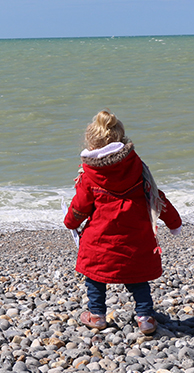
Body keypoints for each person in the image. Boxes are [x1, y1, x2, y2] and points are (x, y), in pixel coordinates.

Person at [64, 110, 182, 335]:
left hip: (99, 240)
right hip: (135, 239)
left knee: (95, 278)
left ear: (91, 143)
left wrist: (70, 223)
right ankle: (145, 318)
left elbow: (80, 206)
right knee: (137, 279)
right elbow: (157, 197)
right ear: (120, 138)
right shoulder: (138, 168)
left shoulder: (89, 175)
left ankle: (97, 315)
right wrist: (174, 222)